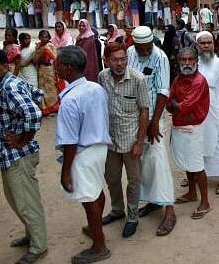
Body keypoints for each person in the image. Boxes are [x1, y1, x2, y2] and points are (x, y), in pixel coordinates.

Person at [0, 48, 47, 264]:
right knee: (18, 199)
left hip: (19, 155)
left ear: (5, 66)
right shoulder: (8, 82)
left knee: (26, 203)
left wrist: (22, 139)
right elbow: (37, 94)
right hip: (10, 155)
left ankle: (39, 246)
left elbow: (34, 112)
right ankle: (31, 236)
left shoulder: (8, 86)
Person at [54, 46, 112, 263]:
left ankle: (99, 247)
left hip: (83, 153)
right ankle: (95, 229)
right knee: (96, 190)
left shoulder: (70, 100)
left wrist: (65, 171)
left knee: (89, 199)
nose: (56, 67)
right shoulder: (96, 88)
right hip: (99, 149)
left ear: (68, 68)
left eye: (58, 64)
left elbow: (70, 142)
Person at [127, 26, 177, 236]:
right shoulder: (129, 53)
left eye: (148, 47)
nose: (145, 51)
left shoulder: (160, 57)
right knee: (141, 161)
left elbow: (163, 91)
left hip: (155, 118)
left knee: (159, 160)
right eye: (141, 48)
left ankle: (170, 211)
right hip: (134, 117)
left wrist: (155, 121)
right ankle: (153, 201)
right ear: (135, 45)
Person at [97, 42, 149, 238]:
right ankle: (118, 210)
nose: (120, 63)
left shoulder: (137, 79)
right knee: (112, 178)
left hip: (131, 140)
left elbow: (144, 110)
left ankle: (133, 217)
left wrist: (139, 142)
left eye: (123, 59)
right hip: (110, 140)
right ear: (106, 61)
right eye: (115, 60)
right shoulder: (102, 77)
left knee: (134, 181)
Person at [166, 47, 211, 219]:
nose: (186, 63)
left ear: (196, 61)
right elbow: (170, 103)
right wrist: (179, 107)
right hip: (180, 127)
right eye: (183, 60)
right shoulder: (178, 79)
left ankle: (205, 202)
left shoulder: (199, 81)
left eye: (190, 59)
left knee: (197, 165)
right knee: (187, 163)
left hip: (193, 129)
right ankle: (192, 193)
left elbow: (184, 106)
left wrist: (179, 107)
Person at [195, 32, 219, 194]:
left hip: (214, 110)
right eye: (202, 43)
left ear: (214, 44)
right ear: (197, 45)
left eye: (208, 43)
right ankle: (196, 174)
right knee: (197, 144)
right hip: (196, 113)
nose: (205, 46)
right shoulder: (193, 63)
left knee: (218, 144)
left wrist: (218, 105)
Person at [32, 30, 60, 116]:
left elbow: (53, 59)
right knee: (42, 88)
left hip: (49, 70)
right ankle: (45, 107)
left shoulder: (50, 46)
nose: (45, 39)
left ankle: (54, 106)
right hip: (41, 70)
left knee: (51, 88)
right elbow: (35, 60)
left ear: (49, 38)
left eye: (46, 37)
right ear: (39, 38)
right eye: (43, 37)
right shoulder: (37, 47)